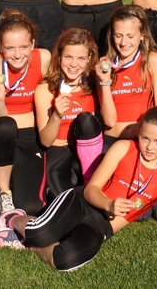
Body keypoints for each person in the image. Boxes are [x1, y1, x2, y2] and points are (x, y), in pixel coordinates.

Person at [0, 99, 157, 271]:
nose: (149, 147)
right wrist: (109, 204)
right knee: (40, 232)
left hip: (102, 226)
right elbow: (91, 189)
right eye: (145, 138)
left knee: (66, 261)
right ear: (139, 132)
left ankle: (28, 244)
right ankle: (12, 219)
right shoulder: (124, 148)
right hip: (83, 202)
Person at [0, 9, 51, 215]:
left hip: (30, 135)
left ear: (33, 44)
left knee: (31, 206)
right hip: (2, 134)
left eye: (23, 47)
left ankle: (6, 176)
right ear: (0, 47)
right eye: (10, 48)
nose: (18, 54)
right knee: (6, 126)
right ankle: (4, 191)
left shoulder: (44, 57)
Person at [33, 28, 116, 202]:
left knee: (85, 119)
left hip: (89, 154)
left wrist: (105, 83)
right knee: (64, 201)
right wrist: (57, 116)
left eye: (81, 58)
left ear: (89, 59)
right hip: (59, 152)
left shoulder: (94, 82)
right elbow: (45, 141)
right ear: (59, 57)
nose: (73, 64)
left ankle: (90, 182)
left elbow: (110, 121)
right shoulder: (46, 88)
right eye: (68, 57)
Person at [101, 5, 157, 146]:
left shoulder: (153, 60)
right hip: (111, 141)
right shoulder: (104, 66)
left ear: (142, 34)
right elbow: (109, 121)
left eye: (130, 36)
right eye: (118, 35)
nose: (124, 42)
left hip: (143, 142)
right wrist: (104, 81)